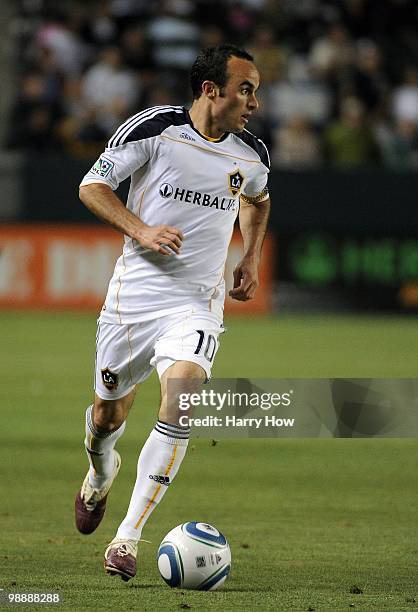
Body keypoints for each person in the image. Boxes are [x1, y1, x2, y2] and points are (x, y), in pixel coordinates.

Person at [75, 44, 270, 581]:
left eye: (256, 90)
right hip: (133, 300)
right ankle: (99, 471)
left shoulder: (251, 154)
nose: (254, 101)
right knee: (107, 416)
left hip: (196, 303)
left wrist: (250, 255)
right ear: (212, 90)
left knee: (181, 399)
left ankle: (127, 538)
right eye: (246, 88)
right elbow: (92, 185)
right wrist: (140, 230)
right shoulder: (155, 128)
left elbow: (258, 199)